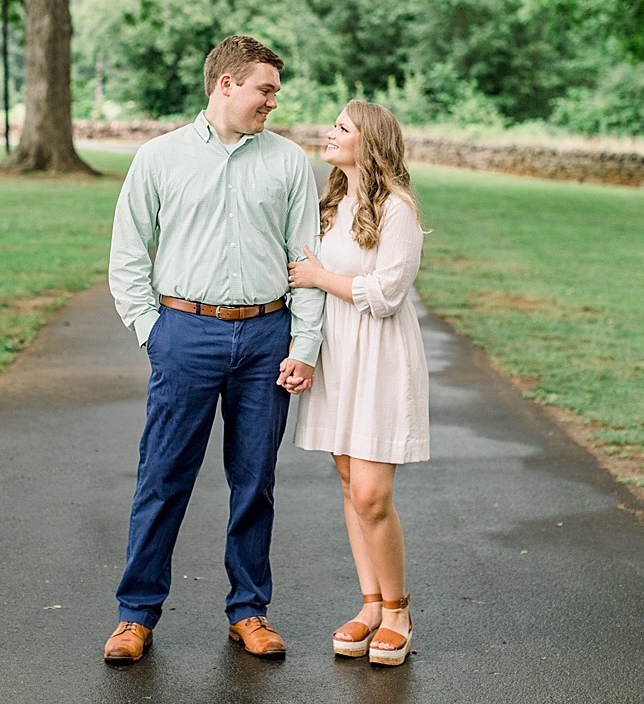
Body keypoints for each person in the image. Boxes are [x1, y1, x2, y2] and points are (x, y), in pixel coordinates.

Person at [104, 34, 324, 664]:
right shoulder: (158, 158)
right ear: (226, 84)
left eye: (275, 93)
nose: (272, 103)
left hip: (265, 338)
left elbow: (303, 258)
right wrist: (153, 332)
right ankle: (135, 616)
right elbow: (127, 254)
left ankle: (249, 611)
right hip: (184, 333)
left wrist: (304, 342)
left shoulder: (287, 162)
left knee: (254, 480)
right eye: (265, 90)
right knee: (163, 477)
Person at [285, 100, 430, 665]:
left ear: (368, 141)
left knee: (372, 493)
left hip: (380, 357)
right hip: (337, 355)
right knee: (348, 484)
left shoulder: (397, 210)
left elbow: (387, 294)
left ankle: (398, 610)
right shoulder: (331, 203)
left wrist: (321, 275)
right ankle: (370, 603)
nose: (329, 133)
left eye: (341, 128)